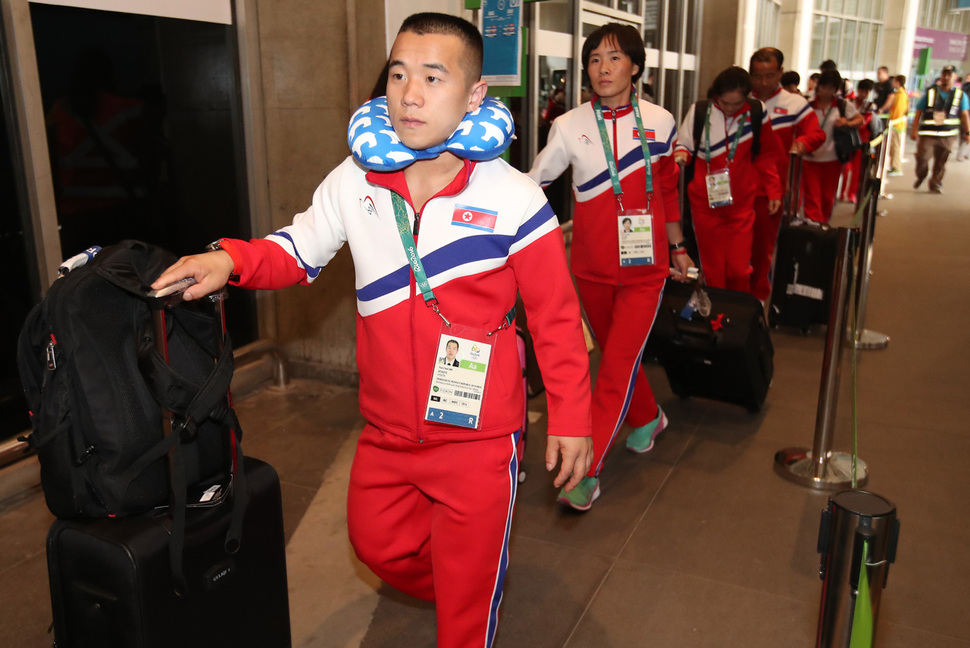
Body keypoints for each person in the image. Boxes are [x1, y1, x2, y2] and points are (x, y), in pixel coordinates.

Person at [152, 13, 593, 647]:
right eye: (398, 73)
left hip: (480, 434)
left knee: (466, 620)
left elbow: (555, 317)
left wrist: (573, 416)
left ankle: (474, 589)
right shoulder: (354, 180)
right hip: (388, 429)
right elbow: (296, 251)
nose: (409, 93)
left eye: (433, 77)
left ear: (474, 96)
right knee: (378, 546)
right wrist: (229, 259)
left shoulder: (514, 196)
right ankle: (473, 577)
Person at [527, 23, 692, 512]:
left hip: (647, 271)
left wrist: (678, 247)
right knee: (620, 360)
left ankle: (586, 470)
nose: (603, 68)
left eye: (615, 58)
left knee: (613, 369)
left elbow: (665, 189)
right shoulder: (569, 124)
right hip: (591, 269)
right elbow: (536, 181)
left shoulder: (660, 121)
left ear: (635, 66)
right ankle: (647, 418)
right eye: (595, 59)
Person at [674, 66, 784, 292]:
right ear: (716, 95)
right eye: (724, 103)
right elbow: (684, 143)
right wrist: (682, 154)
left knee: (738, 269)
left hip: (741, 205)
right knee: (713, 270)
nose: (730, 109)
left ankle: (737, 317)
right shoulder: (700, 111)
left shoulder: (756, 112)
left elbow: (766, 155)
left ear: (747, 97)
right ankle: (717, 318)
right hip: (704, 204)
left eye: (736, 104)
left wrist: (774, 190)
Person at [747, 48, 825, 303]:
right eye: (757, 76)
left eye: (769, 75)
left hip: (772, 190)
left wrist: (801, 143)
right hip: (736, 187)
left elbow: (816, 134)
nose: (763, 82)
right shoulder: (740, 99)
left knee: (762, 249)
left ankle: (758, 298)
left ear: (780, 72)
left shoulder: (794, 104)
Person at [800, 69, 862, 222]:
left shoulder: (842, 106)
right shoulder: (807, 106)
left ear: (836, 89)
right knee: (811, 197)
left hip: (833, 158)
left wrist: (847, 122)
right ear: (818, 87)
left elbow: (859, 119)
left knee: (828, 198)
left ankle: (822, 224)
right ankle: (814, 228)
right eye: (823, 87)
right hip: (810, 158)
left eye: (830, 88)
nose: (826, 91)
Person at [910, 65, 970, 193]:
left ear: (955, 77)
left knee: (940, 162)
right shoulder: (930, 93)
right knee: (922, 158)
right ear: (941, 76)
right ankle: (922, 175)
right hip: (928, 134)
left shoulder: (960, 95)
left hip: (948, 136)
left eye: (949, 75)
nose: (946, 77)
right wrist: (914, 130)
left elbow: (964, 115)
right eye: (944, 74)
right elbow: (919, 112)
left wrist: (968, 133)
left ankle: (935, 183)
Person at [839, 78, 877, 203]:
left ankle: (851, 194)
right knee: (844, 167)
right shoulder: (848, 102)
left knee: (857, 170)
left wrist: (849, 123)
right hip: (847, 139)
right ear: (858, 90)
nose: (864, 94)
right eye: (862, 91)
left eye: (867, 92)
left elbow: (865, 122)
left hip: (862, 141)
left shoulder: (870, 106)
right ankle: (841, 192)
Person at [887, 74, 909, 175]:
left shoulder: (900, 95)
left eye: (894, 81)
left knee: (895, 147)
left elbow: (897, 111)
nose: (892, 83)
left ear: (898, 82)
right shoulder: (900, 94)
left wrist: (891, 123)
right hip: (896, 124)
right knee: (894, 147)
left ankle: (896, 167)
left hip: (896, 125)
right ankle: (894, 166)